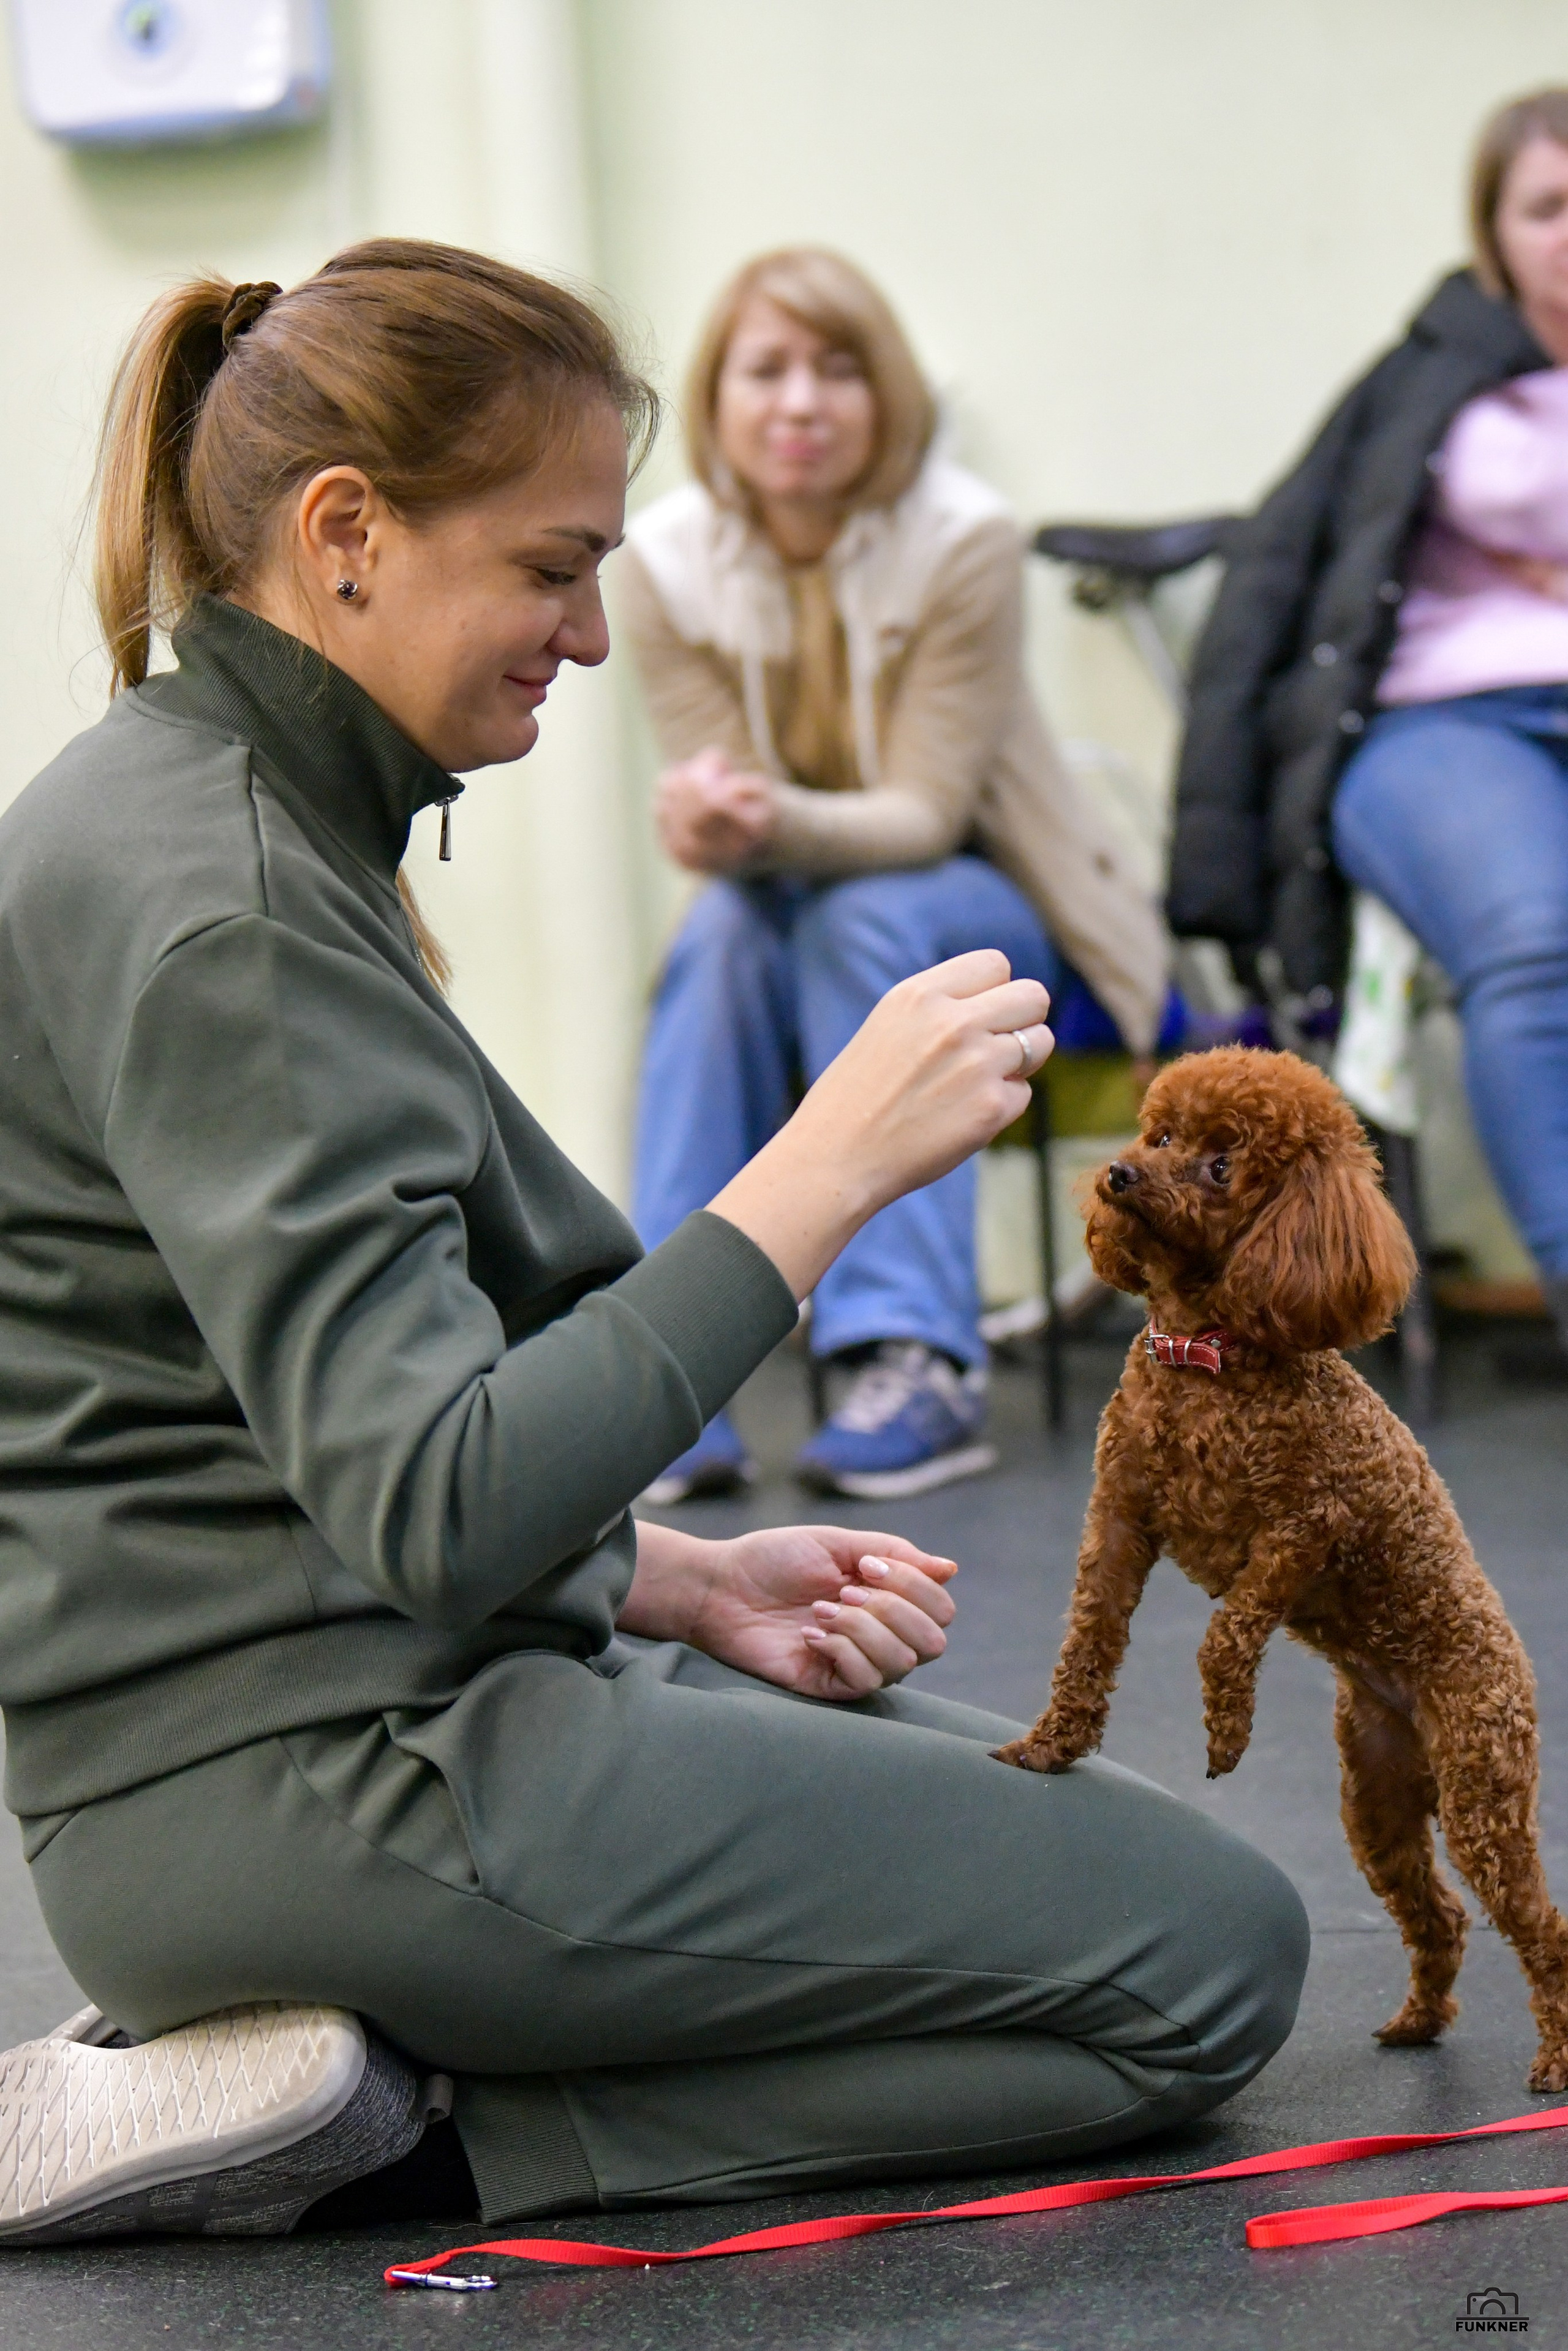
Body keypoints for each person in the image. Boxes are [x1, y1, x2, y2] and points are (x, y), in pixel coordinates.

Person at [0, 241, 1304, 2246]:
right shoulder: (230, 896)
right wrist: (821, 1170)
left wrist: (668, 1570)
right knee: (1209, 1958)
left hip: (321, 1728)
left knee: (1117, 1869)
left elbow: (277, 1407)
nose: (593, 634)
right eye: (550, 565)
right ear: (347, 534)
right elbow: (433, 1497)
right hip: (323, 1780)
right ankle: (397, 2123)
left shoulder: (212, 805)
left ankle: (340, 2042)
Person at [620, 249, 1168, 1503]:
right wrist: (708, 833)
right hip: (790, 911)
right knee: (714, 944)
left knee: (859, 918)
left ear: (889, 399)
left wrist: (749, 824)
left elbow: (922, 816)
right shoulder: (656, 564)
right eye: (765, 371)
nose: (799, 402)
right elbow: (736, 825)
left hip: (979, 910)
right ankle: (661, 1368)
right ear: (714, 400)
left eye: (836, 369)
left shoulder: (965, 540)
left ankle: (912, 1351)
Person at [1170, 88, 1568, 1368]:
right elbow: (1273, 589)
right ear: (1492, 236)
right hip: (1442, 730)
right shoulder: (1420, 384)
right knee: (1532, 942)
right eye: (1546, 206)